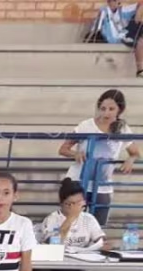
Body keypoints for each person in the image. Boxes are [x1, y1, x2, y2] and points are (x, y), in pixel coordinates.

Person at [59, 89, 139, 226]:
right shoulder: (86, 125)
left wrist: (130, 160)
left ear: (120, 110)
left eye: (111, 109)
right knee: (72, 224)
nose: (106, 113)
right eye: (103, 108)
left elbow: (135, 152)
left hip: (102, 185)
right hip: (78, 181)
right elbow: (63, 149)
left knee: (98, 225)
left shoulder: (123, 128)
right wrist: (75, 154)